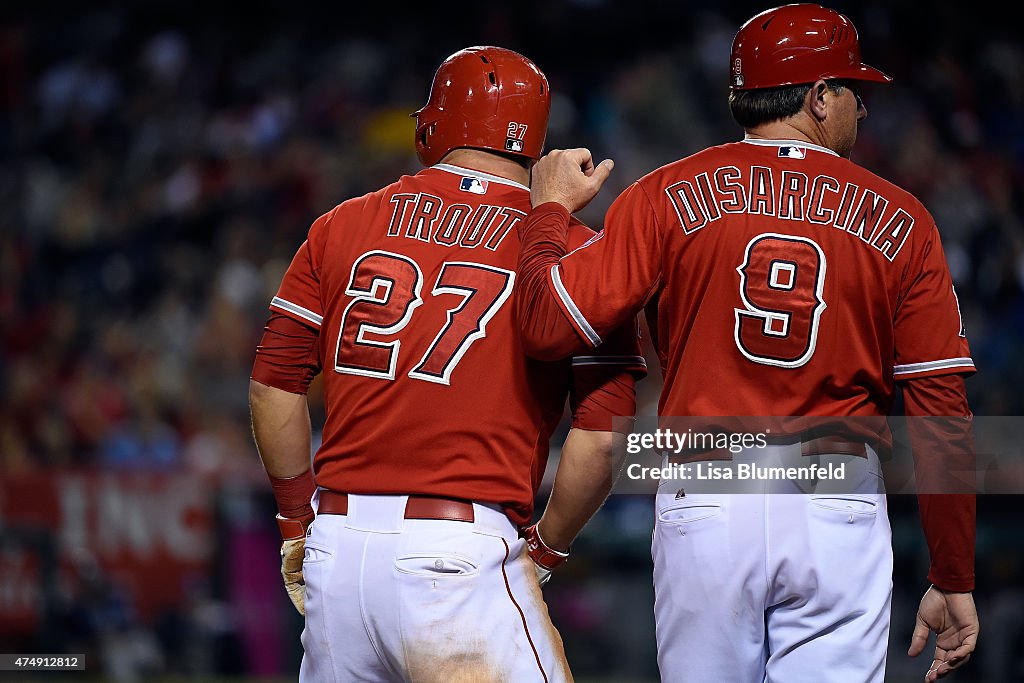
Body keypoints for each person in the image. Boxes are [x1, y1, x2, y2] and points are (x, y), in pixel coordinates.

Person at [513, 4, 979, 682]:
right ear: (818, 97)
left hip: (706, 491)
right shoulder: (903, 218)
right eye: (853, 91)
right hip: (834, 500)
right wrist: (953, 571)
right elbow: (940, 407)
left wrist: (549, 213)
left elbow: (548, 324)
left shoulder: (663, 192)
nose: (864, 109)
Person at [248, 45, 646, 682]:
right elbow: (600, 440)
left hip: (338, 554)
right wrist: (546, 547)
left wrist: (297, 519)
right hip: (459, 552)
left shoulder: (341, 224)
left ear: (435, 121)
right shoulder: (573, 250)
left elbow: (274, 384)